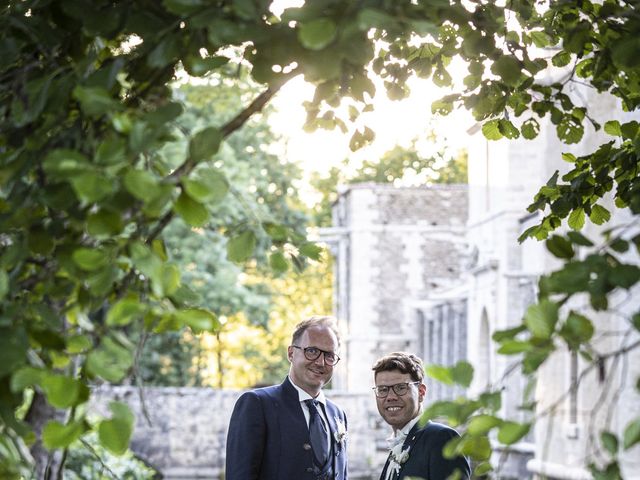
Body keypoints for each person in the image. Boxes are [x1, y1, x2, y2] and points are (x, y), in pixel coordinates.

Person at [226, 315, 348, 480]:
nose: (321, 362)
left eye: (329, 355)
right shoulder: (257, 404)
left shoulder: (338, 414)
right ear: (291, 353)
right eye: (312, 351)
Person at [372, 352, 470, 480]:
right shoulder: (398, 444)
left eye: (401, 387)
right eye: (383, 389)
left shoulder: (442, 439)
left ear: (421, 392)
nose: (390, 397)